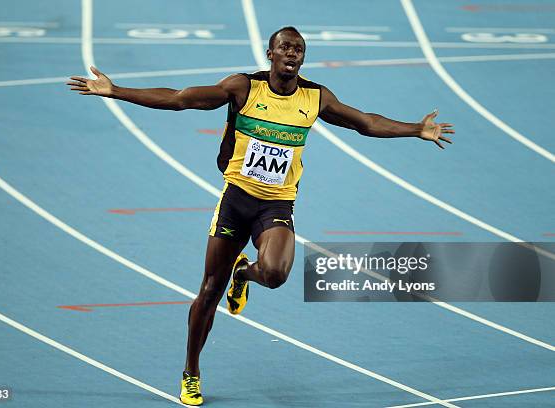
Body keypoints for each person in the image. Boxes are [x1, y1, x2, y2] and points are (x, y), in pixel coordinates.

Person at [67, 26, 454, 406]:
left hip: (277, 205)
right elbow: (181, 98)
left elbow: (365, 122)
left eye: (298, 49)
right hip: (236, 200)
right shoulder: (242, 88)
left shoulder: (315, 98)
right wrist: (116, 91)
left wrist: (415, 129)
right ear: (270, 54)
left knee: (275, 274)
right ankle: (191, 372)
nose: (291, 54)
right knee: (208, 292)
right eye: (284, 47)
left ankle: (244, 274)